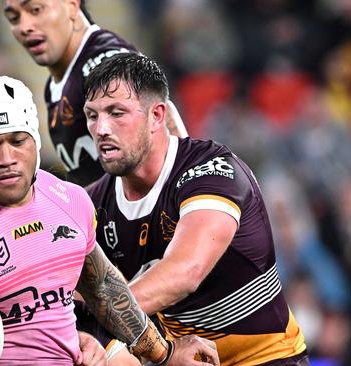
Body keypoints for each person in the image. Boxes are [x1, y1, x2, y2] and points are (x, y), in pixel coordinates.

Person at [0, 75, 219, 366]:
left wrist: (164, 353)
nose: (7, 158)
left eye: (18, 141)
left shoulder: (70, 200)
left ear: (35, 142)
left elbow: (102, 290)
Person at [83, 53, 310, 365]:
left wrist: (99, 319)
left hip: (266, 358)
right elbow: (65, 301)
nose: (102, 129)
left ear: (157, 116)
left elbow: (184, 272)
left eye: (116, 113)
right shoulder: (91, 206)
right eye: (92, 116)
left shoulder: (214, 172)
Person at [2, 0, 187, 187]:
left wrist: (187, 196)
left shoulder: (105, 61)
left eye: (35, 10)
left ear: (72, 5)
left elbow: (163, 119)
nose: (24, 27)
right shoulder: (54, 86)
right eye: (14, 18)